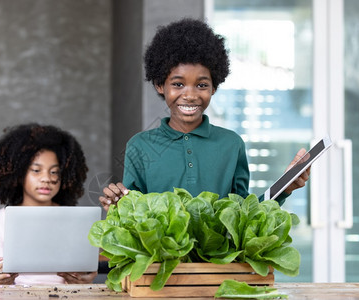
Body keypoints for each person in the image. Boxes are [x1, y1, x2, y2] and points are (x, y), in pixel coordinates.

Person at [99, 18, 310, 211]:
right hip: (160, 254)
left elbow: (245, 216)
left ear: (214, 87)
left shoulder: (231, 144)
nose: (190, 95)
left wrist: (285, 188)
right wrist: (118, 206)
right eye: (178, 84)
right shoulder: (140, 146)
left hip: (219, 254)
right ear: (159, 85)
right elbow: (133, 216)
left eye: (201, 85)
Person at [0, 123, 97, 291]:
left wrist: (83, 283)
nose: (46, 178)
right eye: (36, 170)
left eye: (54, 172)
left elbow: (82, 281)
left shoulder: (76, 221)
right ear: (19, 173)